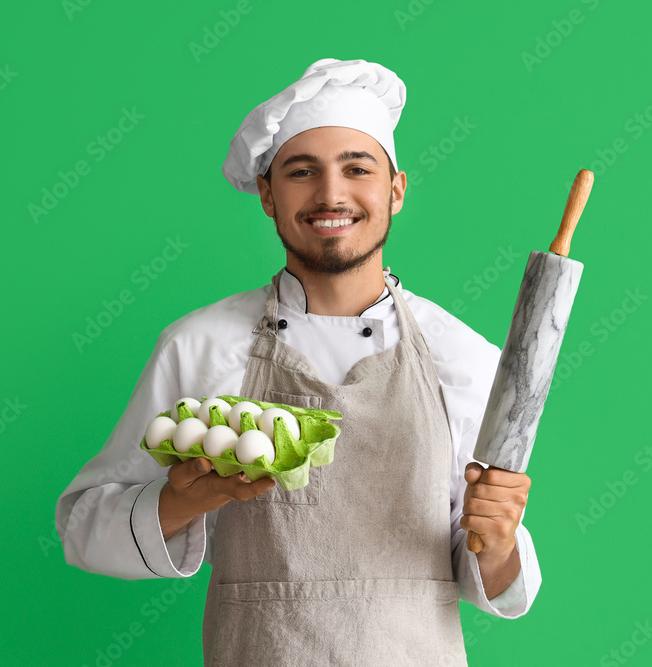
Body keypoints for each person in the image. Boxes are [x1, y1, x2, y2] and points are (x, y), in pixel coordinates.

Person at [56, 57, 541, 665]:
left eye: (356, 168)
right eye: (302, 171)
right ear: (267, 194)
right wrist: (187, 499)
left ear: (395, 189)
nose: (330, 194)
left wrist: (496, 542)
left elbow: (490, 576)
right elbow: (82, 530)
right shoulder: (201, 345)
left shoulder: (462, 357)